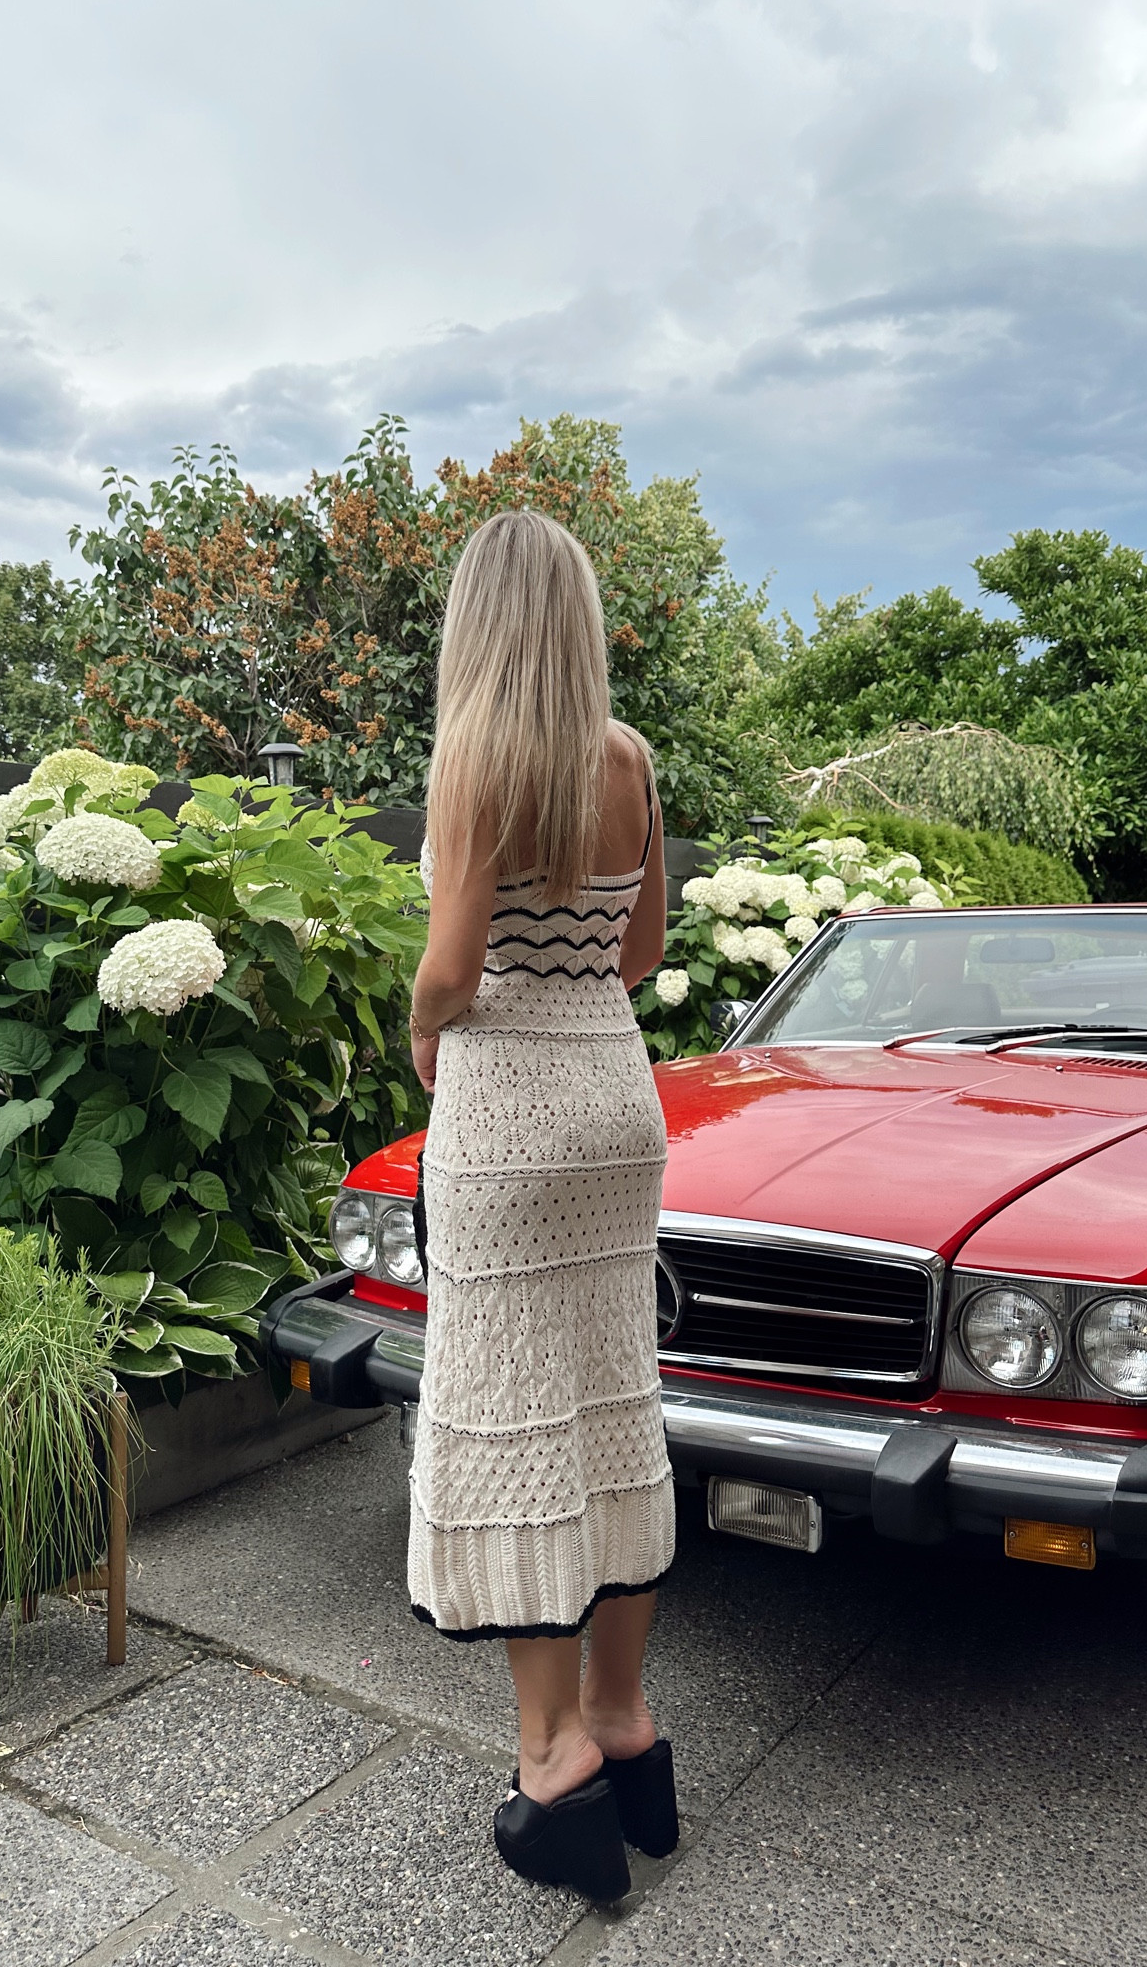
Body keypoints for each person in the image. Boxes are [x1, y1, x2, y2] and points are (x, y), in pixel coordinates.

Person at [407, 506, 676, 1904]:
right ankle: (629, 1725)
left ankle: (554, 1753)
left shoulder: (475, 761)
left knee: (513, 1419)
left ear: (478, 624)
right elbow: (642, 949)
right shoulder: (626, 760)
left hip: (509, 1109)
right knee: (611, 1408)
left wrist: (419, 1026)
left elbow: (453, 966)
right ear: (574, 617)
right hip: (615, 1103)